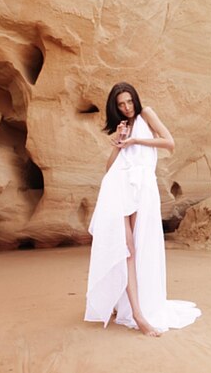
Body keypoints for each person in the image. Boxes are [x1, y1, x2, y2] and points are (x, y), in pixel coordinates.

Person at [84, 82, 201, 337]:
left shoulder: (146, 113)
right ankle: (137, 314)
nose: (126, 107)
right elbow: (109, 168)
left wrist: (137, 139)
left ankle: (129, 305)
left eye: (129, 101)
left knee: (138, 248)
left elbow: (169, 142)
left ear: (135, 99)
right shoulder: (121, 129)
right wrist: (120, 141)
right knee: (125, 249)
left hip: (141, 188)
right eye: (121, 104)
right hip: (118, 188)